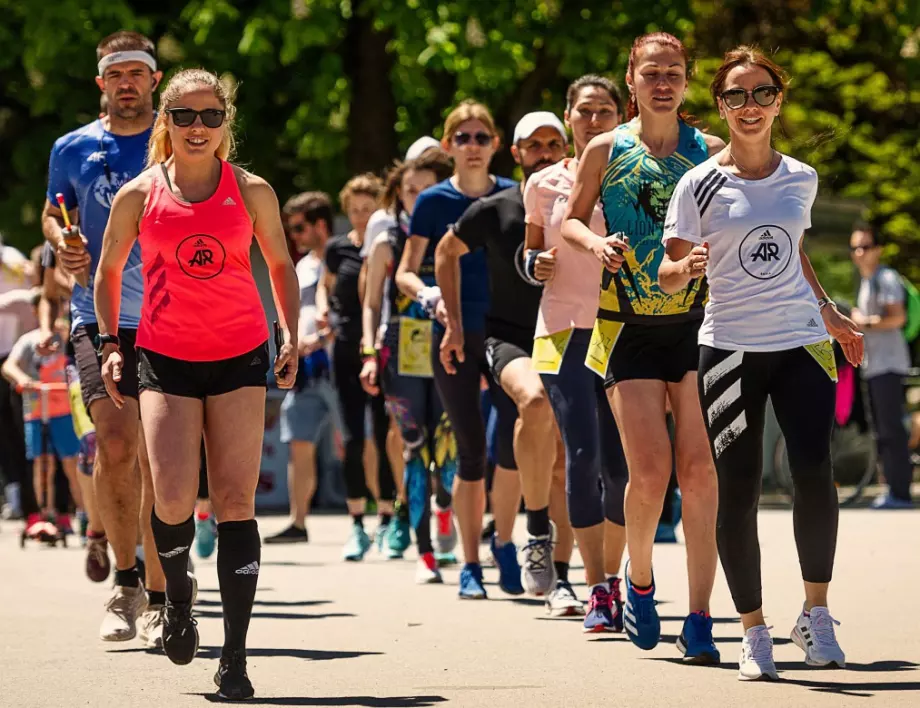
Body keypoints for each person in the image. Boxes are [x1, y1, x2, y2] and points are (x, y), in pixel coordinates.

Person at [94, 67, 299, 700]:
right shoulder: (139, 194)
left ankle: (234, 657)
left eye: (212, 116)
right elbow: (106, 271)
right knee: (176, 498)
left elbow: (281, 264)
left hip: (240, 354)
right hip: (165, 357)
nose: (199, 127)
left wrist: (289, 332)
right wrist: (108, 342)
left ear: (225, 125)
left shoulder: (252, 190)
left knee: (236, 500)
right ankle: (178, 597)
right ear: (167, 124)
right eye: (185, 116)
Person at [660, 46, 863, 680]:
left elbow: (794, 254)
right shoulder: (699, 182)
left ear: (780, 100)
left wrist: (827, 309)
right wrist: (684, 269)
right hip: (730, 349)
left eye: (763, 94)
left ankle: (816, 613)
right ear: (720, 107)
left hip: (801, 342)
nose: (750, 107)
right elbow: (668, 272)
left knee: (813, 474)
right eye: (737, 96)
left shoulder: (801, 177)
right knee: (740, 488)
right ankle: (753, 629)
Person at [562, 32, 725, 661]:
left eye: (674, 73)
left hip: (696, 322)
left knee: (700, 470)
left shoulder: (709, 151)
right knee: (650, 471)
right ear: (631, 80)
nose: (663, 83)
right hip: (625, 322)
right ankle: (639, 581)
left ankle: (703, 616)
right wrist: (595, 244)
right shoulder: (607, 147)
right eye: (651, 73)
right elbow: (573, 217)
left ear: (687, 81)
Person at [42, 31, 168, 643]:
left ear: (153, 80)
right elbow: (53, 210)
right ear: (101, 83)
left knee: (159, 455)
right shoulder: (71, 148)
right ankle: (126, 585)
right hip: (98, 314)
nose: (125, 83)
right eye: (114, 73)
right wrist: (60, 243)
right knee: (115, 447)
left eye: (135, 73)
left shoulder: (179, 141)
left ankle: (167, 589)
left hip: (173, 315)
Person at [438, 110, 587, 607]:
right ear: (517, 153)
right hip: (510, 340)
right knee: (536, 401)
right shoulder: (497, 206)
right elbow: (444, 251)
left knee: (566, 461)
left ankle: (562, 574)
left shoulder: (586, 203)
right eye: (534, 145)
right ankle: (535, 530)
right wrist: (455, 324)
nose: (544, 152)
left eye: (553, 143)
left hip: (573, 335)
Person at [396, 100, 522, 600]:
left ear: (495, 145)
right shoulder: (432, 201)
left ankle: (507, 543)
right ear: (448, 146)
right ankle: (470, 564)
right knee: (469, 452)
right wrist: (428, 295)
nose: (472, 146)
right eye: (462, 138)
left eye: (481, 137)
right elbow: (406, 270)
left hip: (507, 332)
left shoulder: (517, 195)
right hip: (451, 335)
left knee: (509, 446)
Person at [523, 75, 630, 629]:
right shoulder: (543, 182)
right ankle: (595, 589)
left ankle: (618, 578)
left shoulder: (638, 172)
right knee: (582, 456)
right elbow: (531, 251)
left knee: (621, 463)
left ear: (621, 115)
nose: (594, 120)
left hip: (622, 326)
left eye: (605, 110)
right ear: (569, 118)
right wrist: (533, 264)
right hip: (562, 328)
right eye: (585, 111)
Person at [360, 150, 455, 581]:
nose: (417, 198)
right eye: (409, 190)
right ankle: (424, 551)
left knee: (449, 443)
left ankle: (446, 504)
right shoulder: (386, 241)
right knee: (414, 445)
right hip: (400, 349)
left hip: (452, 347)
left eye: (426, 190)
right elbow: (372, 302)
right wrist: (367, 351)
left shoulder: (455, 233)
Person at [318, 173, 397, 561]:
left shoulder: (388, 244)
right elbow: (324, 284)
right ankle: (356, 524)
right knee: (351, 439)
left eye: (369, 209)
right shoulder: (337, 248)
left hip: (381, 347)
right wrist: (321, 309)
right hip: (346, 346)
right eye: (355, 210)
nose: (362, 216)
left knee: (384, 435)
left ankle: (387, 518)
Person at [266, 192, 342, 544]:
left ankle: (385, 513)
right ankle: (298, 522)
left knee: (360, 441)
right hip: (306, 366)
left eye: (299, 227)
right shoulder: (303, 265)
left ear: (320, 225)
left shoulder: (344, 256)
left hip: (339, 363)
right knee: (299, 441)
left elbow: (346, 314)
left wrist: (323, 338)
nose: (293, 235)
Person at [849, 224, 915, 509]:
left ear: (878, 249)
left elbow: (897, 318)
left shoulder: (885, 278)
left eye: (865, 246)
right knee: (884, 431)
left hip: (889, 364)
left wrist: (862, 322)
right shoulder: (867, 280)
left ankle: (900, 493)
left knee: (892, 431)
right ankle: (892, 489)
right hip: (874, 366)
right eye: (854, 248)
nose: (859, 253)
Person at [2, 301, 81, 529]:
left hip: (65, 411)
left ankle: (81, 512)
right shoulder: (29, 340)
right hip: (38, 411)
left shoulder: (69, 335)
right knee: (42, 465)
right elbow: (9, 366)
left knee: (71, 463)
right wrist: (23, 379)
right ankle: (45, 513)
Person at [0, 239, 36, 522]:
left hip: (13, 354)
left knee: (20, 429)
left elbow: (33, 294)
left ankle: (29, 499)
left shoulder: (13, 259)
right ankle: (14, 493)